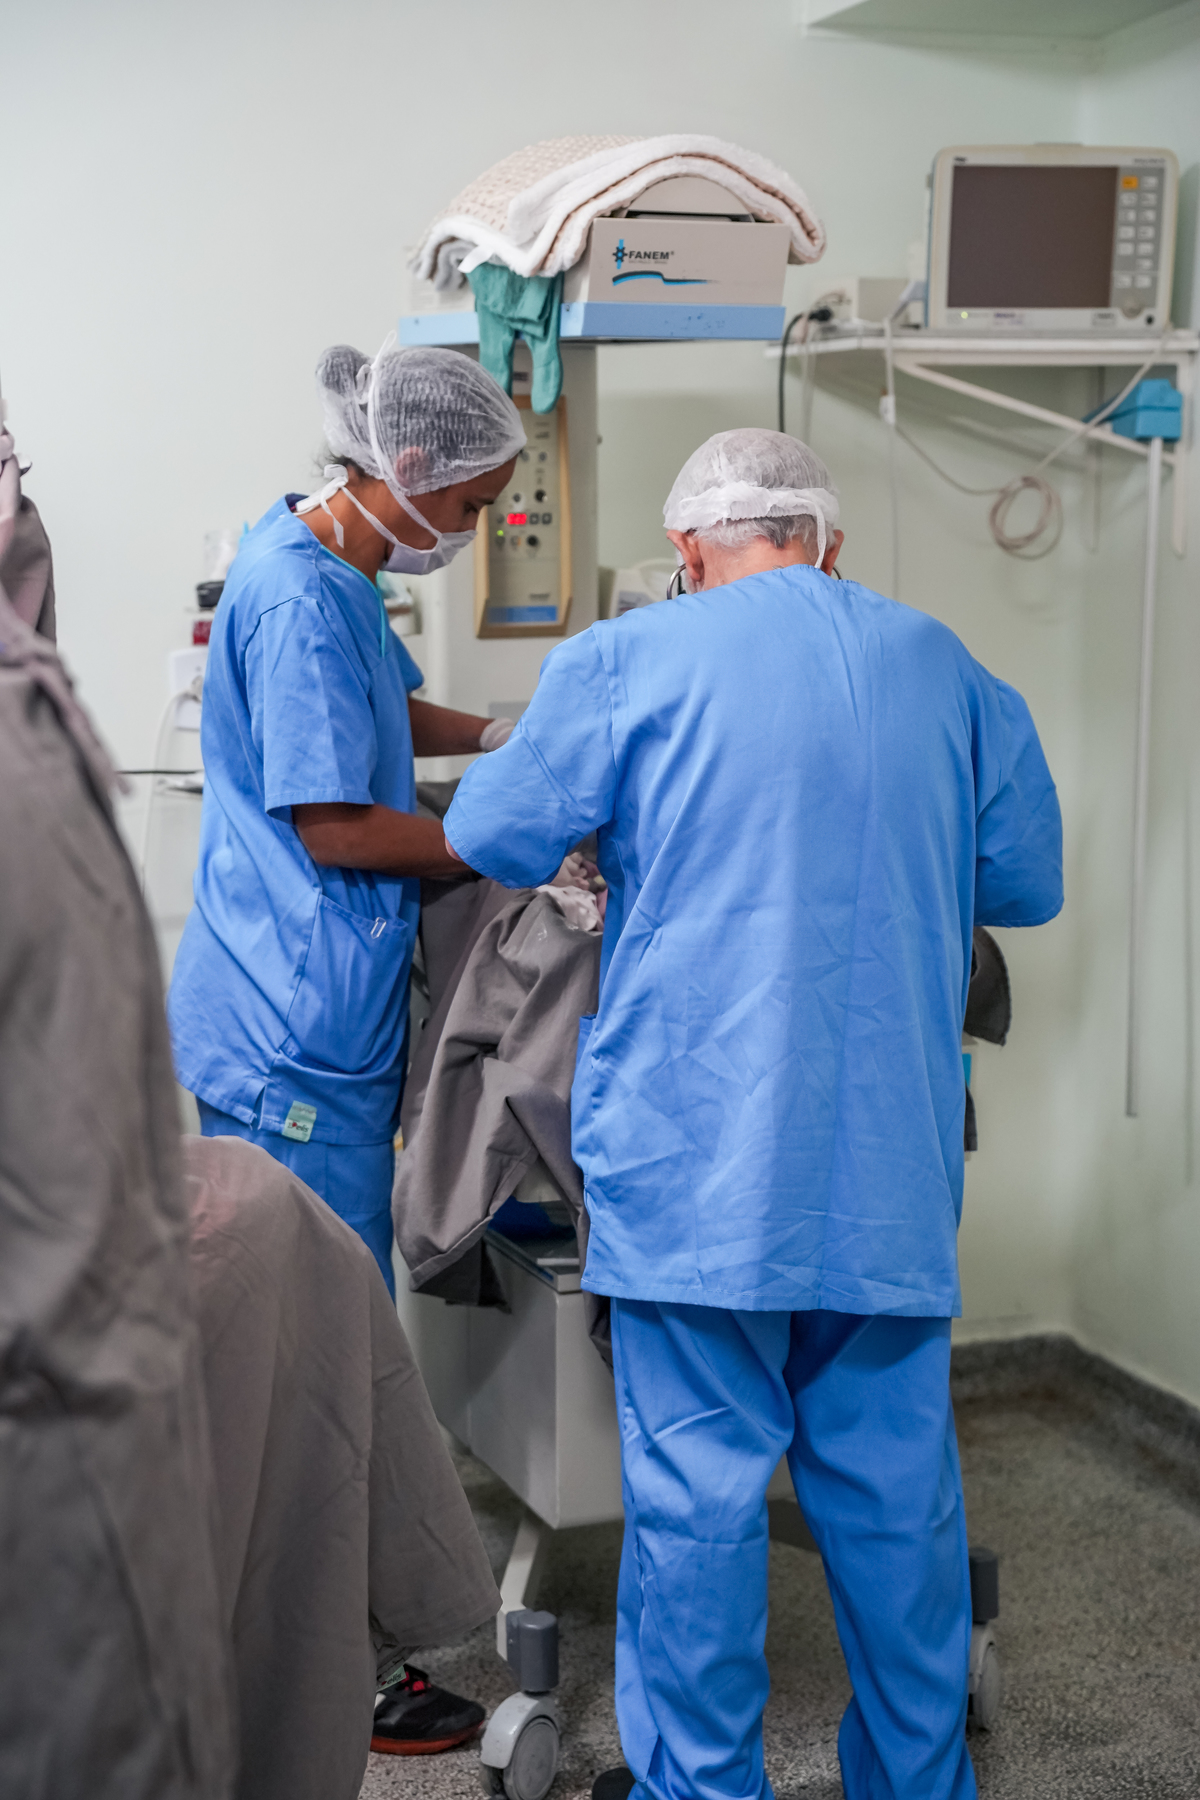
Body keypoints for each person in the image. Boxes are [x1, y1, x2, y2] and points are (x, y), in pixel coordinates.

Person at [436, 428, 1063, 1800]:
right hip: (885, 1161)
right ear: (830, 543)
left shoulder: (627, 659)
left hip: (699, 1158)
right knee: (896, 1501)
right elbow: (1024, 882)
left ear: (686, 551)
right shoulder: (947, 666)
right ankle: (918, 1781)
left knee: (701, 1502)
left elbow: (488, 834)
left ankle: (704, 1786)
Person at [169, 341, 525, 1299]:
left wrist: (501, 735)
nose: (470, 530)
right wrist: (493, 848)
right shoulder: (301, 598)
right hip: (289, 1026)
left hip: (292, 992)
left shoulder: (324, 556)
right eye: (470, 507)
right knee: (320, 1325)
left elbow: (375, 711)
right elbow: (337, 830)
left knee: (306, 1324)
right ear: (409, 467)